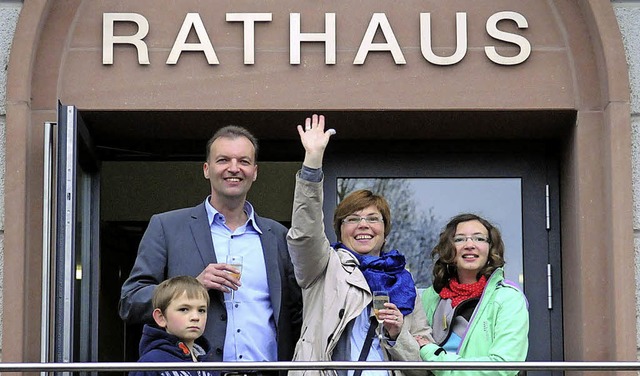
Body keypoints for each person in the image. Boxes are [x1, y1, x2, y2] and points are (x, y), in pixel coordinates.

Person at [119, 125, 303, 370]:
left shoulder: (278, 236)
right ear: (207, 169)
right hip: (194, 371)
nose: (234, 168)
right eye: (223, 160)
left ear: (255, 172)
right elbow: (130, 301)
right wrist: (191, 286)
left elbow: (296, 313)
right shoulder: (167, 226)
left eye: (244, 161)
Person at [287, 114, 433, 376]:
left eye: (373, 219)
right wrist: (312, 163)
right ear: (340, 230)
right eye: (352, 219)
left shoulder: (404, 280)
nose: (363, 225)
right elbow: (305, 232)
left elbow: (422, 367)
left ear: (384, 231)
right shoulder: (323, 266)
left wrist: (398, 333)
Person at [415, 213, 529, 376]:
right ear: (449, 249)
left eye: (479, 238)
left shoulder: (508, 299)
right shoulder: (431, 297)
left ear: (491, 249)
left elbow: (502, 367)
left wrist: (433, 355)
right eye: (460, 239)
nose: (469, 244)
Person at [130, 275, 217, 376]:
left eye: (201, 310)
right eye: (184, 309)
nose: (195, 317)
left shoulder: (210, 364)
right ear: (161, 317)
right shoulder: (152, 362)